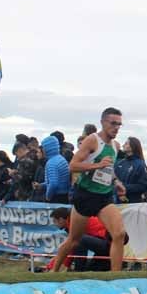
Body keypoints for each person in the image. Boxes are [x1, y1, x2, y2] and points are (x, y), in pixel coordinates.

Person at [51, 108, 130, 273]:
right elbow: (72, 166)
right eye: (113, 123)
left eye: (119, 125)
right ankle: (54, 271)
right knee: (74, 239)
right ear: (103, 122)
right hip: (85, 196)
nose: (116, 127)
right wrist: (97, 165)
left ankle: (116, 277)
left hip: (104, 196)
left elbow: (108, 169)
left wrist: (116, 181)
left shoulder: (115, 146)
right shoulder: (92, 140)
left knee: (119, 234)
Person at [40, 135, 72, 204]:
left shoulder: (51, 163)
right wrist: (41, 185)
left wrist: (48, 197)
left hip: (57, 197)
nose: (42, 150)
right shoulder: (61, 159)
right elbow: (58, 179)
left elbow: (54, 184)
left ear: (47, 148)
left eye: (43, 147)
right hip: (65, 195)